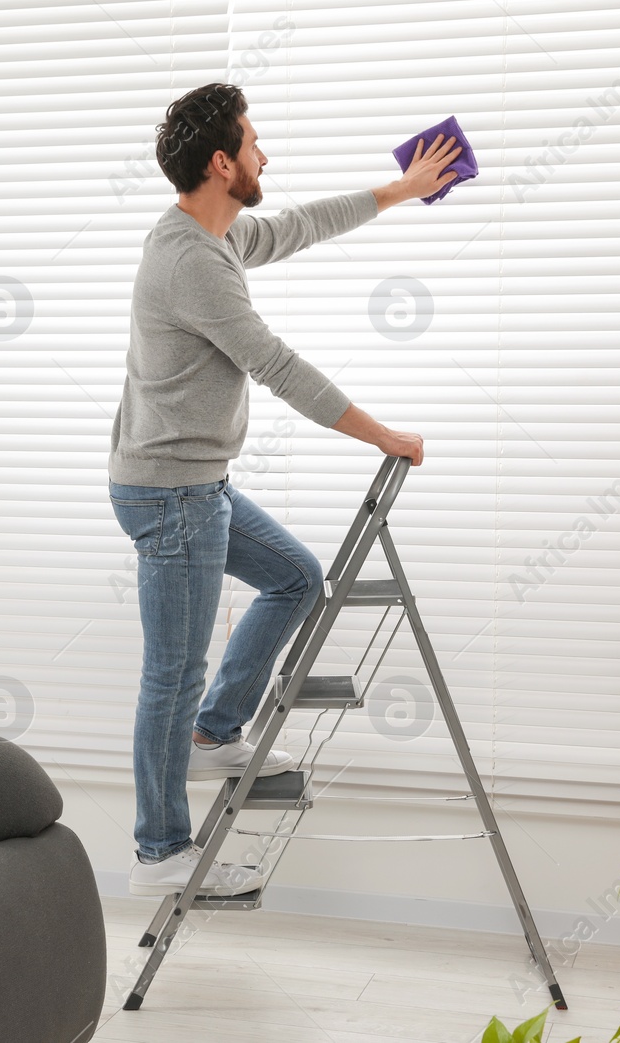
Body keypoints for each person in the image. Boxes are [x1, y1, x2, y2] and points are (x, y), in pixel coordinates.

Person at [108, 82, 459, 896]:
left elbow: (302, 225)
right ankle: (160, 855)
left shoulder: (214, 236)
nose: (269, 156)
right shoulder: (191, 261)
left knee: (296, 577)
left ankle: (214, 733)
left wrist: (402, 190)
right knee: (171, 671)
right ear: (223, 163)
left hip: (197, 488)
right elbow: (276, 366)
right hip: (171, 498)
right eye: (256, 144)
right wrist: (385, 433)